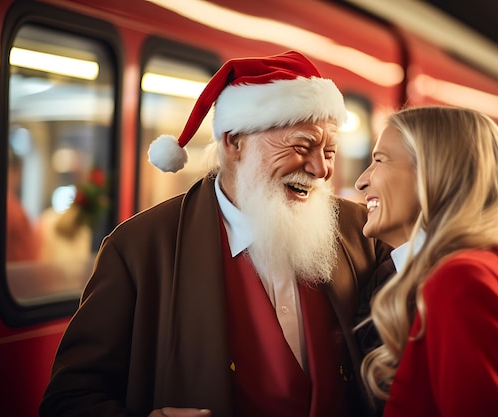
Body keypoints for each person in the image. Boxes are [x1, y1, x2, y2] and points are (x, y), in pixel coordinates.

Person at [39, 50, 391, 417]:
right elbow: (68, 399)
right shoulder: (139, 249)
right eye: (302, 146)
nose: (321, 169)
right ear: (234, 141)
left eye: (330, 151)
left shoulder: (362, 232)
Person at [354, 106, 498, 416]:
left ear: (432, 173)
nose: (361, 181)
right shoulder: (481, 272)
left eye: (379, 160)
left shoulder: (462, 282)